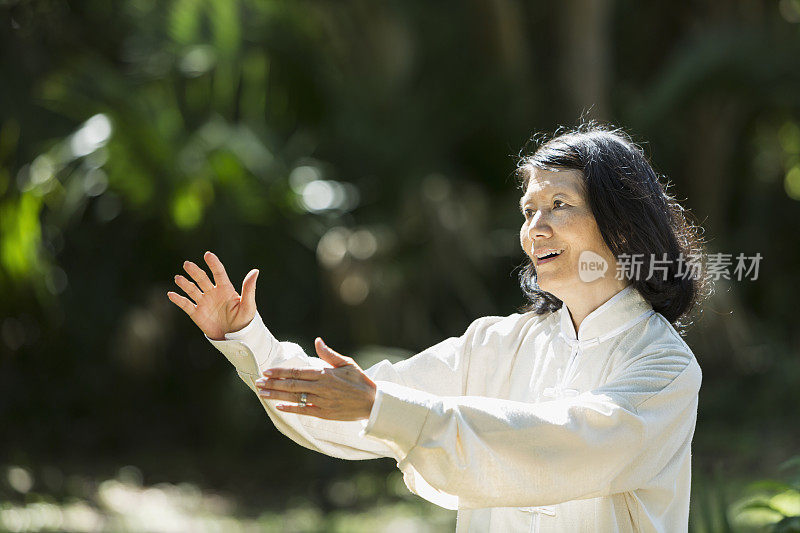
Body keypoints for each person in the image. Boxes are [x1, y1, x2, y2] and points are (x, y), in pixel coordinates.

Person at [167, 124, 709, 532]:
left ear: (620, 221)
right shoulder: (495, 344)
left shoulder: (663, 367)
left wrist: (385, 408)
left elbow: (567, 443)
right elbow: (361, 406)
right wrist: (250, 339)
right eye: (527, 210)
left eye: (559, 205)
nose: (534, 229)